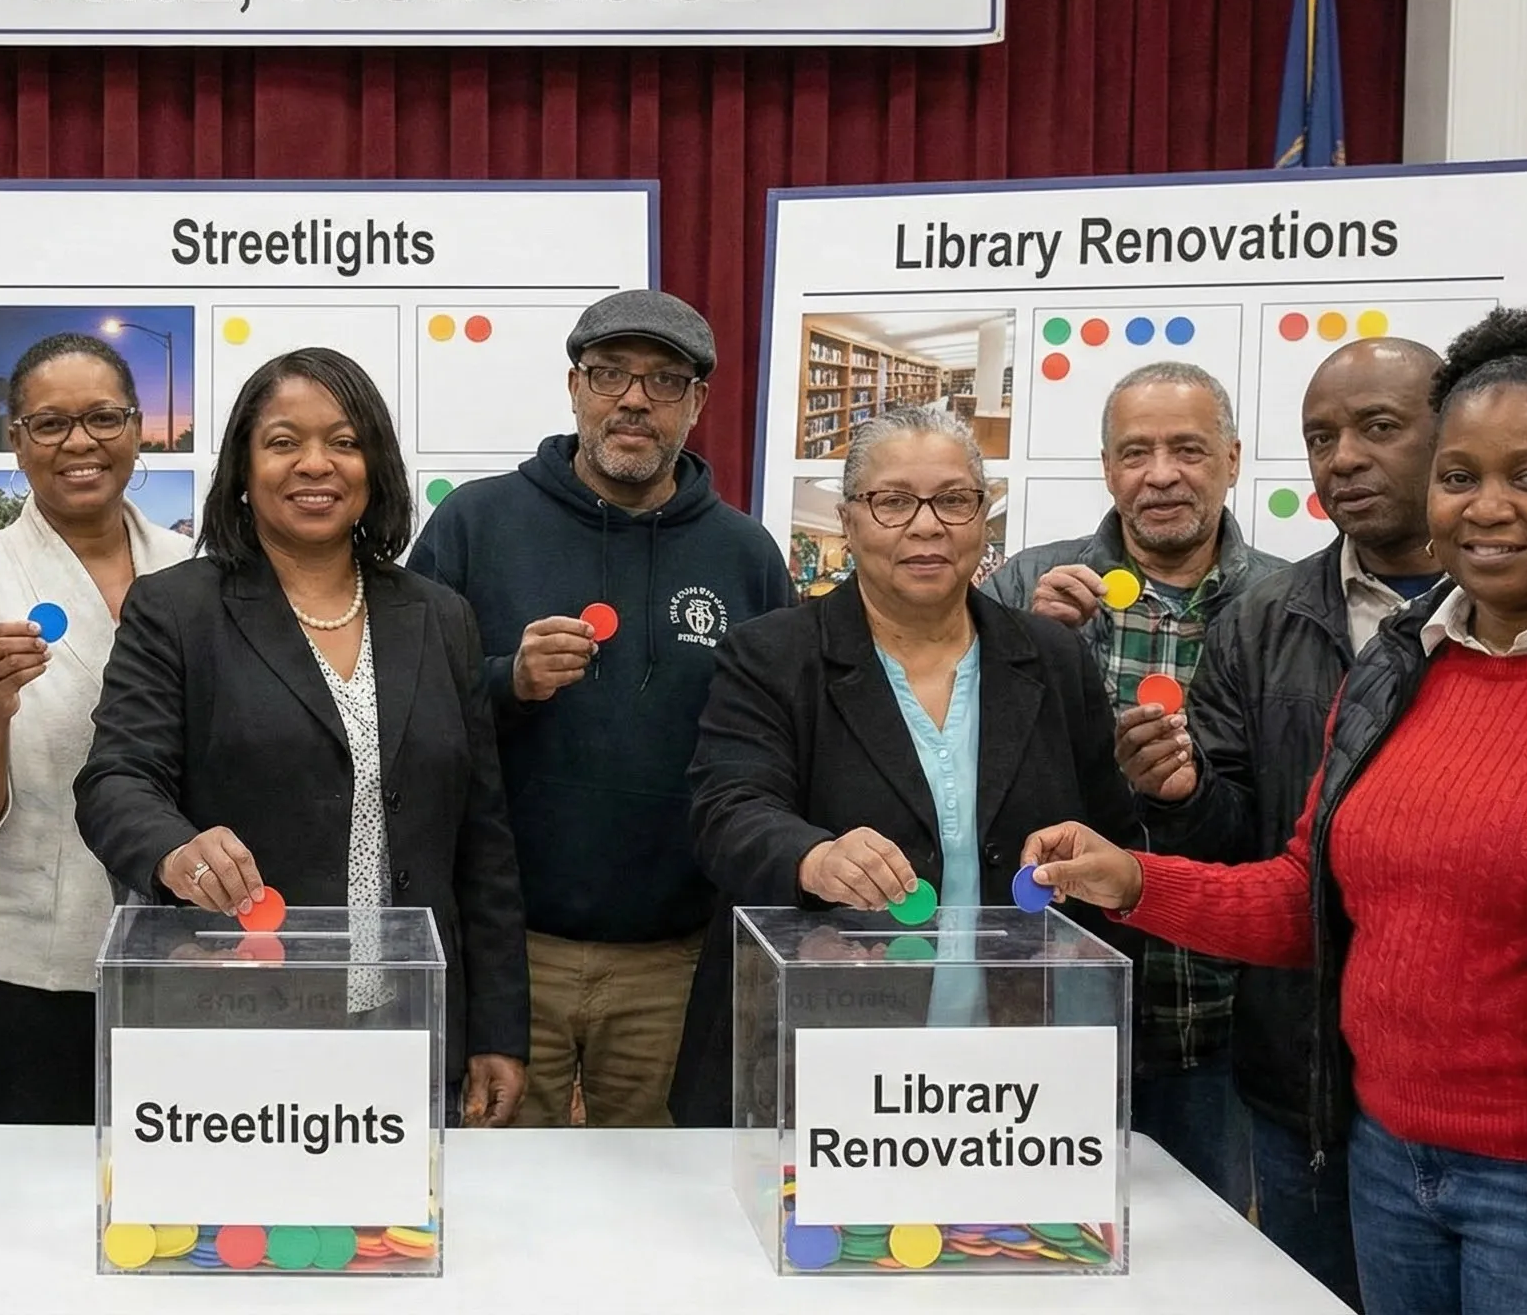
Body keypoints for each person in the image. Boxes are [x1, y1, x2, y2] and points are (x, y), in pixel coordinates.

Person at [1028, 306, 1527, 1315]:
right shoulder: (1393, 672)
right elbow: (1307, 905)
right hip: (1376, 1156)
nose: (1485, 507)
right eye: (1460, 478)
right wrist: (1131, 877)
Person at [77, 347, 531, 1125]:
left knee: (390, 1243)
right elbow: (115, 778)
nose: (315, 463)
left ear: (374, 466)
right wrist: (175, 851)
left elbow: (481, 838)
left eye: (344, 442)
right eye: (283, 442)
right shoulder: (177, 610)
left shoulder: (440, 617)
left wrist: (497, 1028)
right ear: (245, 471)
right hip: (236, 1012)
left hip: (407, 1018)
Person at [670, 407, 1143, 1125]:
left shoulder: (1051, 657)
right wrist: (812, 856)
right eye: (893, 501)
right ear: (850, 520)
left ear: (984, 519)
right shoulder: (772, 655)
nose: (927, 526)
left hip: (1015, 1072)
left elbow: (1108, 834)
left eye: (954, 500)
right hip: (826, 1055)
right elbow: (727, 809)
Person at [406, 288, 790, 1129]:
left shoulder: (746, 554)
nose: (633, 400)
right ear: (575, 387)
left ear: (698, 403)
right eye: (609, 374)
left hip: (674, 954)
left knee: (659, 1201)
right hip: (509, 949)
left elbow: (779, 743)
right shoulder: (476, 522)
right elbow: (399, 712)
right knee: (501, 1196)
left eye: (662, 381)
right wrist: (509, 680)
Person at [1112, 337, 1441, 1307]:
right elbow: (1248, 847)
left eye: (1377, 427)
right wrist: (1175, 797)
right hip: (1298, 1075)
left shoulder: (1517, 617)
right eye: (1321, 436)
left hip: (1496, 1119)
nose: (1342, 457)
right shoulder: (1266, 618)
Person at [979, 361, 1284, 1207]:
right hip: (1050, 1000)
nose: (1160, 474)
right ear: (1107, 467)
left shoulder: (1287, 604)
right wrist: (1025, 647)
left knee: (1206, 1254)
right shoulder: (1025, 587)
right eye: (1135, 451)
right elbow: (964, 767)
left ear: (1231, 457)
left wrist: (1188, 794)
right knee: (1039, 1237)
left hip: (1220, 1010)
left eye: (1187, 449)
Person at [0, 334, 192, 1123]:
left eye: (104, 418)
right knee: (22, 1218)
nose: (80, 443)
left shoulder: (192, 569)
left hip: (178, 955)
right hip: (16, 971)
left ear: (141, 429)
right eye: (49, 424)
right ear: (15, 442)